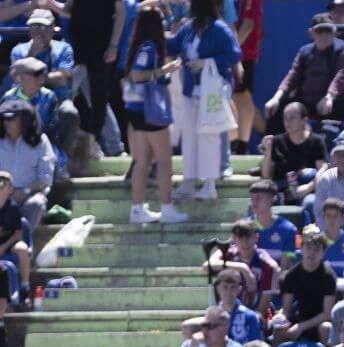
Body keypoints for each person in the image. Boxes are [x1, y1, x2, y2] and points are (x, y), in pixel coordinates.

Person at [167, 0, 240, 202]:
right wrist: (156, 29)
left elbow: (234, 55)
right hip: (191, 90)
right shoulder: (188, 28)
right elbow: (172, 45)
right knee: (189, 136)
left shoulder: (220, 29)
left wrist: (207, 61)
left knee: (209, 137)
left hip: (212, 91)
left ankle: (209, 184)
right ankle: (188, 181)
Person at [119, 7, 187, 225]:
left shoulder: (139, 45)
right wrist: (164, 71)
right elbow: (138, 75)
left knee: (143, 161)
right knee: (164, 160)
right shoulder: (148, 47)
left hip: (138, 111)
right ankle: (167, 207)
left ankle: (137, 209)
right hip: (149, 110)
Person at [42, 0, 124, 150]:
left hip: (101, 50)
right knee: (69, 95)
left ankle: (113, 146)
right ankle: (102, 145)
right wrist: (49, 3)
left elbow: (120, 14)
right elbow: (67, 11)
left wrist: (113, 45)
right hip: (77, 50)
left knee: (98, 99)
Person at [264, 13, 344, 130]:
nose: (324, 35)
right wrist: (276, 98)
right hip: (306, 104)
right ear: (311, 33)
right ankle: (272, 145)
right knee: (276, 110)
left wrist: (329, 96)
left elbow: (342, 75)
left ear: (335, 32)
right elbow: (292, 76)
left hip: (334, 103)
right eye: (320, 31)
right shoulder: (304, 51)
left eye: (328, 31)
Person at [4, 57, 77, 174]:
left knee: (53, 164)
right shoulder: (8, 97)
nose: (41, 79)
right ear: (21, 78)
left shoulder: (49, 96)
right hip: (15, 145)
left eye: (42, 75)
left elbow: (52, 130)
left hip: (41, 142)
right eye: (36, 75)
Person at [204, 219, 281, 315]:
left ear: (256, 238)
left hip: (254, 316)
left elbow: (262, 310)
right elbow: (207, 266)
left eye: (248, 236)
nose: (245, 241)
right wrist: (243, 268)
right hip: (225, 316)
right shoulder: (227, 253)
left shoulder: (268, 265)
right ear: (234, 238)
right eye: (240, 236)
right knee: (189, 326)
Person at [0, 99, 54, 230]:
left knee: (37, 204)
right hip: (1, 195)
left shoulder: (40, 142)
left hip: (29, 195)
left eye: (11, 118)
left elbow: (45, 178)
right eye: (3, 118)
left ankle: (22, 242)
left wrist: (24, 192)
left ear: (24, 120)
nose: (6, 122)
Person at [260, 102, 328, 201]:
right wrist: (268, 150)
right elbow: (266, 175)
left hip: (307, 189)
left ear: (304, 120)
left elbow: (323, 170)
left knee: (310, 202)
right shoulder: (277, 141)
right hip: (280, 190)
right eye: (285, 118)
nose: (287, 122)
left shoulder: (316, 142)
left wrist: (309, 187)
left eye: (292, 118)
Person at [182, 269, 262, 345]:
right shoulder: (212, 317)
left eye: (233, 287)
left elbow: (255, 345)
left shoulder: (250, 316)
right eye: (225, 287)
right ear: (218, 288)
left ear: (239, 289)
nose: (228, 291)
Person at [230, 0, 263, 155]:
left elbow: (248, 25)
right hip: (234, 54)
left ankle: (242, 145)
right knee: (235, 98)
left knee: (243, 96)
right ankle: (237, 143)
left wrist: (231, 50)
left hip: (244, 55)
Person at [248, 179, 296, 270]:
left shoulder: (288, 229)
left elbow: (285, 268)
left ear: (272, 199)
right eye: (252, 198)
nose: (254, 202)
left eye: (258, 198)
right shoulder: (245, 227)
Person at [0, 171, 31, 302]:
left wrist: (4, 246)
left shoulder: (13, 207)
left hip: (9, 244)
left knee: (23, 249)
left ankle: (25, 287)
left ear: (10, 189)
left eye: (5, 184)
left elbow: (18, 233)